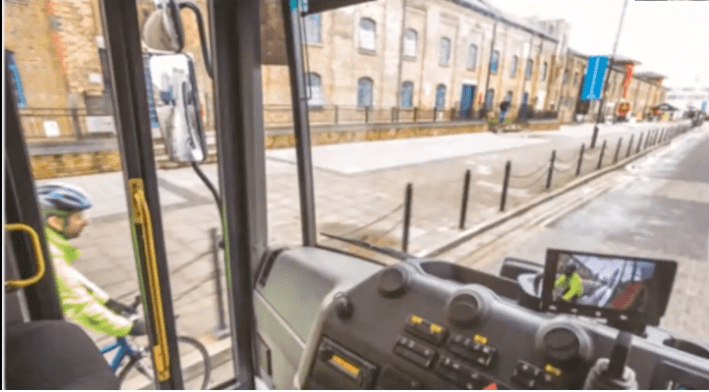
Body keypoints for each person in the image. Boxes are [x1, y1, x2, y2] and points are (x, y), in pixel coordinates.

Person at [36, 183, 146, 338]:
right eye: (78, 217)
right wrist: (128, 328)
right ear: (56, 222)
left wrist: (110, 304)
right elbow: (79, 305)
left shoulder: (46, 245)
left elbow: (75, 282)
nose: (85, 222)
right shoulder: (49, 256)